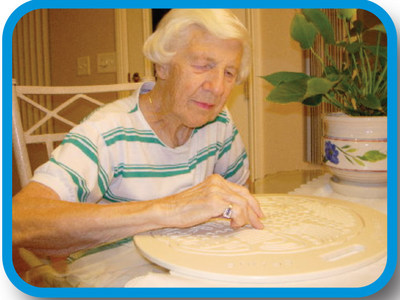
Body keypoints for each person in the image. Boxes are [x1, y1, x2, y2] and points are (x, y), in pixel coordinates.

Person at [12, 9, 264, 258]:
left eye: (229, 73)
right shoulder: (107, 131)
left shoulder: (218, 123)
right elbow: (19, 220)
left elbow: (241, 197)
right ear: (162, 67)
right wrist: (170, 209)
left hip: (192, 267)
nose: (218, 88)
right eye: (202, 65)